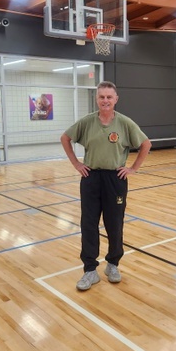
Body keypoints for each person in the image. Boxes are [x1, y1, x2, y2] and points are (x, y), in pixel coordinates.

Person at [61, 81, 151, 291]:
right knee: (88, 223)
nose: (105, 100)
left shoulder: (125, 123)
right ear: (97, 99)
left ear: (116, 99)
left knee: (114, 223)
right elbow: (65, 138)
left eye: (109, 97)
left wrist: (133, 169)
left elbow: (146, 144)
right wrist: (76, 164)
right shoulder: (87, 122)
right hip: (91, 177)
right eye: (102, 97)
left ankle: (113, 264)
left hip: (115, 179)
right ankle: (90, 270)